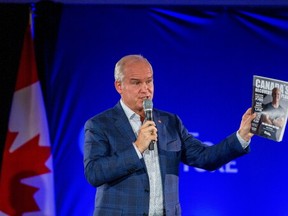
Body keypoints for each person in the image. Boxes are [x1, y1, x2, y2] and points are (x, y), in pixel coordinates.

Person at [83, 54, 256, 216]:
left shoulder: (170, 122)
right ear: (119, 86)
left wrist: (242, 135)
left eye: (149, 81)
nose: (145, 89)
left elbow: (205, 157)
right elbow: (94, 173)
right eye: (136, 83)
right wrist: (137, 148)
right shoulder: (99, 125)